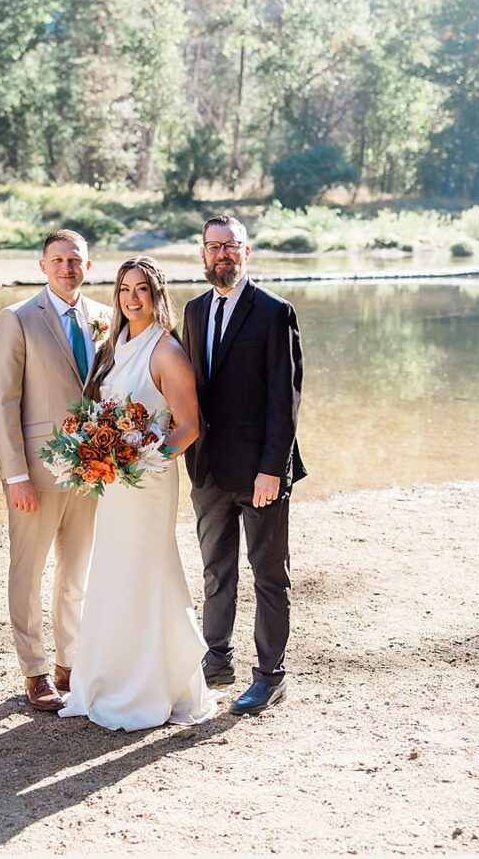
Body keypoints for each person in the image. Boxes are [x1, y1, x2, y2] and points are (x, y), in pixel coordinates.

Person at [58, 257, 216, 730]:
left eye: (141, 289)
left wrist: (143, 459)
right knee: (112, 573)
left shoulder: (166, 350)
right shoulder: (113, 346)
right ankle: (107, 677)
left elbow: (188, 426)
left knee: (146, 573)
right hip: (114, 484)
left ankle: (150, 686)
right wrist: (96, 454)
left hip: (146, 482)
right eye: (125, 288)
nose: (132, 297)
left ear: (157, 294)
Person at [182, 215, 305, 716]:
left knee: (269, 574)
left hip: (261, 471)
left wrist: (271, 468)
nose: (221, 255)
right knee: (216, 570)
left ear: (246, 252)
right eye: (213, 247)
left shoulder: (275, 312)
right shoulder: (192, 311)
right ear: (203, 254)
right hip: (208, 471)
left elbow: (286, 398)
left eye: (230, 246)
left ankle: (270, 674)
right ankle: (217, 657)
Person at [0, 230, 107, 712]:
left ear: (88, 265)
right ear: (42, 266)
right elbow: (3, 400)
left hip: (93, 470)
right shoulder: (17, 319)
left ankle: (69, 664)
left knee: (77, 572)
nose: (66, 267)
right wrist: (14, 473)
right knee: (28, 570)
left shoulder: (105, 316)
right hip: (35, 472)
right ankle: (34, 671)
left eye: (74, 260)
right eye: (57, 260)